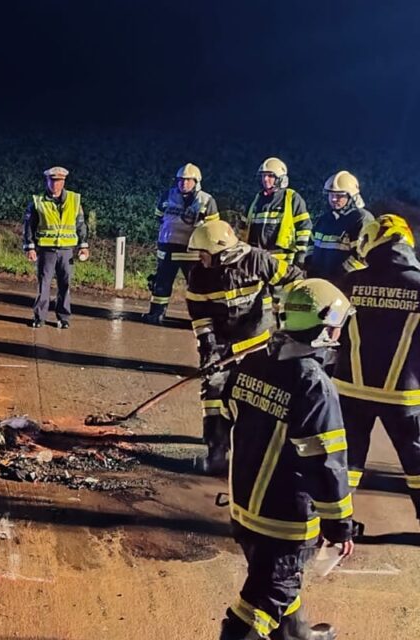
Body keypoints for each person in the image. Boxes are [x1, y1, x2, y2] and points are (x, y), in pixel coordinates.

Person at [218, 278, 355, 640]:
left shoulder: (252, 361)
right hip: (286, 522)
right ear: (326, 328)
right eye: (338, 326)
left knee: (276, 578)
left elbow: (228, 412)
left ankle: (298, 635)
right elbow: (325, 462)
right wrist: (340, 527)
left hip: (245, 508)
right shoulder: (314, 385)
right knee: (264, 599)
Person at [187, 220, 304, 475]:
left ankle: (257, 454)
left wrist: (285, 318)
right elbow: (199, 314)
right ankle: (216, 452)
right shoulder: (199, 275)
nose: (199, 257)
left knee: (257, 396)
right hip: (222, 345)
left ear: (221, 253)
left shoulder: (259, 261)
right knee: (214, 392)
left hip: (259, 343)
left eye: (203, 253)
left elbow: (294, 280)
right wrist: (207, 346)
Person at [332, 214, 420, 526]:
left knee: (348, 460)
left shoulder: (351, 281)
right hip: (404, 394)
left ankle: (338, 523)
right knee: (416, 463)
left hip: (350, 389)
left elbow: (329, 330)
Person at [143, 163, 219, 325]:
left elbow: (214, 228)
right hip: (168, 248)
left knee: (198, 287)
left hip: (192, 251)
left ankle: (202, 319)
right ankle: (156, 315)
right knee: (161, 285)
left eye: (188, 180)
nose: (183, 183)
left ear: (196, 181)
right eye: (180, 180)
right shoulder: (167, 195)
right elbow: (159, 216)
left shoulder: (206, 200)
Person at [23, 166, 89, 328]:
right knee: (43, 285)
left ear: (64, 182)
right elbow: (29, 226)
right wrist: (30, 247)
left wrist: (83, 245)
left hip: (67, 251)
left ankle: (63, 318)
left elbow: (81, 225)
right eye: (52, 181)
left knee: (65, 285)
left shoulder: (74, 200)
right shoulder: (37, 202)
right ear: (47, 181)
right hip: (46, 251)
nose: (55, 184)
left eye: (59, 181)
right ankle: (40, 317)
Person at [243, 157, 312, 267]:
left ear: (280, 179)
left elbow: (304, 229)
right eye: (263, 175)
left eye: (270, 175)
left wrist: (301, 254)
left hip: (282, 261)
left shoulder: (292, 198)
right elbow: (246, 228)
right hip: (257, 260)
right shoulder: (256, 200)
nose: (265, 179)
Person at [306, 171, 373, 283]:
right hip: (319, 283)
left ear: (351, 196)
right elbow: (311, 246)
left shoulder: (361, 219)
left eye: (339, 195)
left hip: (346, 284)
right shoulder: (324, 219)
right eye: (331, 195)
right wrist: (309, 267)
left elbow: (363, 257)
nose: (333, 199)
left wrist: (341, 275)